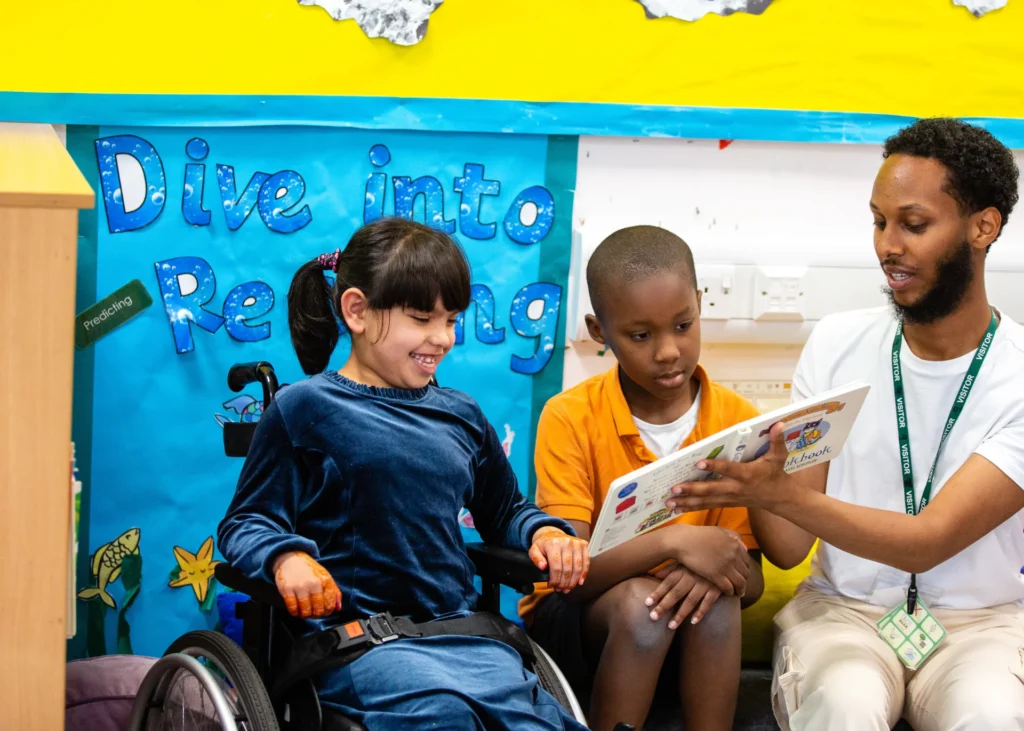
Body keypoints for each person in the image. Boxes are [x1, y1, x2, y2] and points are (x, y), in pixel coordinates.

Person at [666, 118, 1024, 731]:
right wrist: (763, 487)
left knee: (990, 715)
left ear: (982, 227)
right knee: (845, 705)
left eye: (913, 224)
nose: (888, 246)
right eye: (879, 221)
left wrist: (782, 495)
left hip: (983, 626)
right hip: (843, 614)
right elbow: (787, 549)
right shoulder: (836, 344)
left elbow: (929, 540)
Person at [217, 217, 591, 730]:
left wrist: (545, 533)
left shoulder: (461, 414)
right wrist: (286, 558)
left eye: (451, 320)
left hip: (465, 639)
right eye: (421, 319)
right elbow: (247, 522)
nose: (442, 338)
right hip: (359, 644)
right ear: (357, 311)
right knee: (446, 717)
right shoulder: (304, 408)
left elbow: (505, 510)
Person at [520, 225, 765, 731]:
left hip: (688, 630)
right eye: (640, 336)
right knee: (643, 608)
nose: (668, 351)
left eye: (683, 325)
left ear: (700, 304)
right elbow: (570, 578)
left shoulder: (738, 422)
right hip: (579, 622)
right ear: (599, 331)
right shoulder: (569, 416)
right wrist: (675, 543)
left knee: (718, 601)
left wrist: (708, 573)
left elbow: (753, 579)